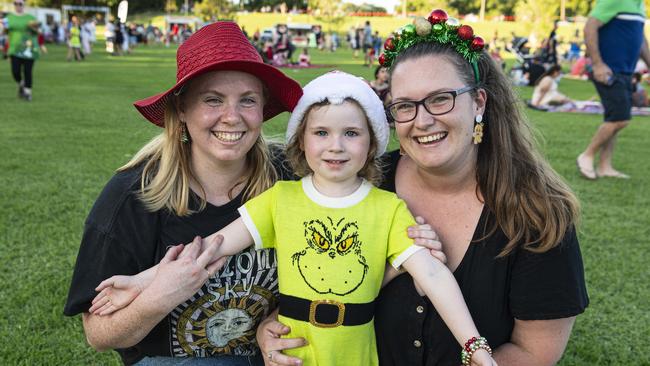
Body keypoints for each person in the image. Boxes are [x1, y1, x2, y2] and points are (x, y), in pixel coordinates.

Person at [88, 71, 497, 366]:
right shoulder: (281, 197)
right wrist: (143, 282)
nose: (335, 147)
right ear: (301, 139)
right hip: (287, 354)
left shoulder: (386, 207)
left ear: (373, 142)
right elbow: (213, 247)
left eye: (352, 134)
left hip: (354, 354)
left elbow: (432, 275)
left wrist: (475, 346)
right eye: (321, 133)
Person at [256, 9, 589, 366]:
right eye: (405, 106)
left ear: (478, 102)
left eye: (440, 98)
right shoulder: (356, 181)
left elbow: (532, 354)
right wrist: (270, 326)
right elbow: (312, 280)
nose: (423, 120)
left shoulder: (536, 213)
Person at [63, 21, 303, 366]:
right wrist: (159, 294)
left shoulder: (289, 176)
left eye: (247, 100)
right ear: (182, 110)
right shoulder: (134, 195)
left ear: (263, 108)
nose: (232, 117)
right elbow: (98, 334)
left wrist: (274, 318)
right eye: (213, 100)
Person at [576, 0, 650, 180]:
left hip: (626, 72)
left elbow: (640, 40)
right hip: (607, 71)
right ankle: (587, 155)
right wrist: (598, 64)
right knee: (620, 118)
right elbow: (590, 26)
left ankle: (605, 166)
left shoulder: (639, 5)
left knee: (614, 118)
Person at [6, 0, 40, 101]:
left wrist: (33, 28)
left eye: (20, 4)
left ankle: (28, 93)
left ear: (23, 5)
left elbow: (38, 32)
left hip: (28, 49)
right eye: (15, 3)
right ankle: (21, 83)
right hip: (14, 48)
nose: (18, 6)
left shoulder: (31, 18)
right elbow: (3, 31)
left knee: (27, 71)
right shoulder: (9, 18)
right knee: (15, 71)